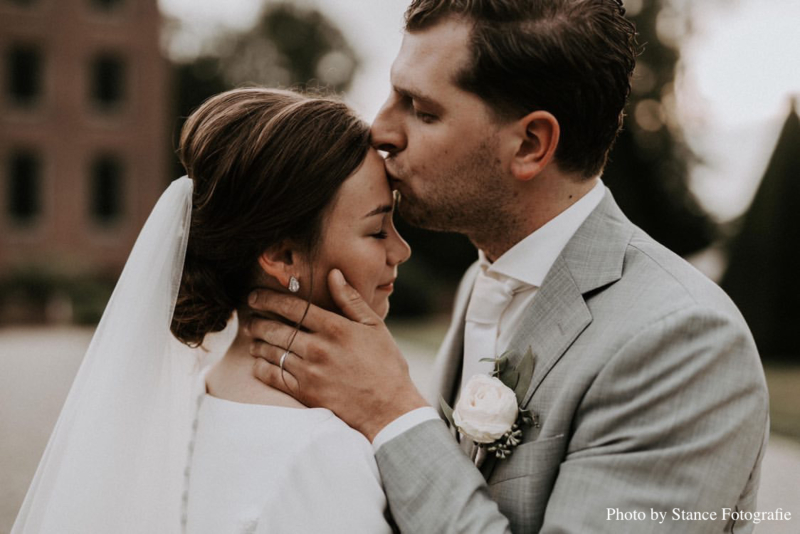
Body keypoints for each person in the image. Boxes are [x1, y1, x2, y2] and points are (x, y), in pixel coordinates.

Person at [247, 1, 770, 532]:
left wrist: (391, 412)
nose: (380, 128)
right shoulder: (483, 279)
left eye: (422, 110)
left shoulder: (684, 343)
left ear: (530, 144)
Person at [12, 88, 407, 533]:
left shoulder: (192, 399)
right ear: (283, 256)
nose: (402, 249)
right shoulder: (318, 451)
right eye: (377, 230)